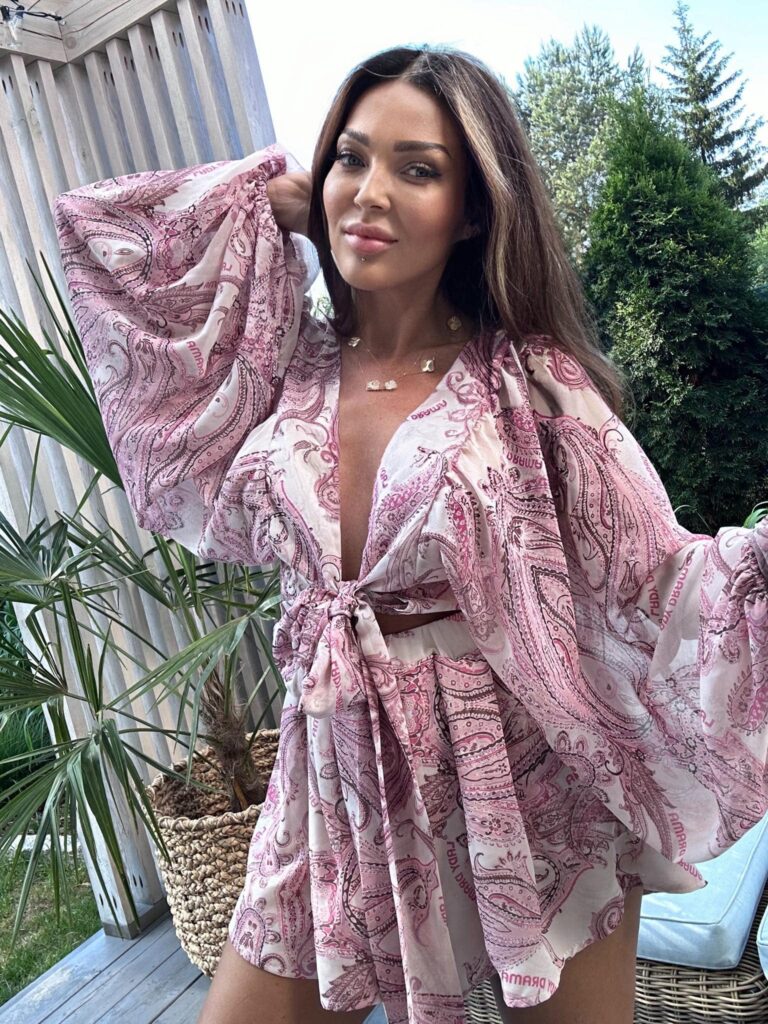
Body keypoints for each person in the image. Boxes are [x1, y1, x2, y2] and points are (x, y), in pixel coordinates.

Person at [52, 43, 768, 1024]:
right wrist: (270, 201)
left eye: (418, 169)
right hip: (332, 782)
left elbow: (660, 578)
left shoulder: (529, 381)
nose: (371, 192)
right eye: (351, 158)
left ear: (473, 210)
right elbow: (104, 234)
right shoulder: (282, 370)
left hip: (524, 788)